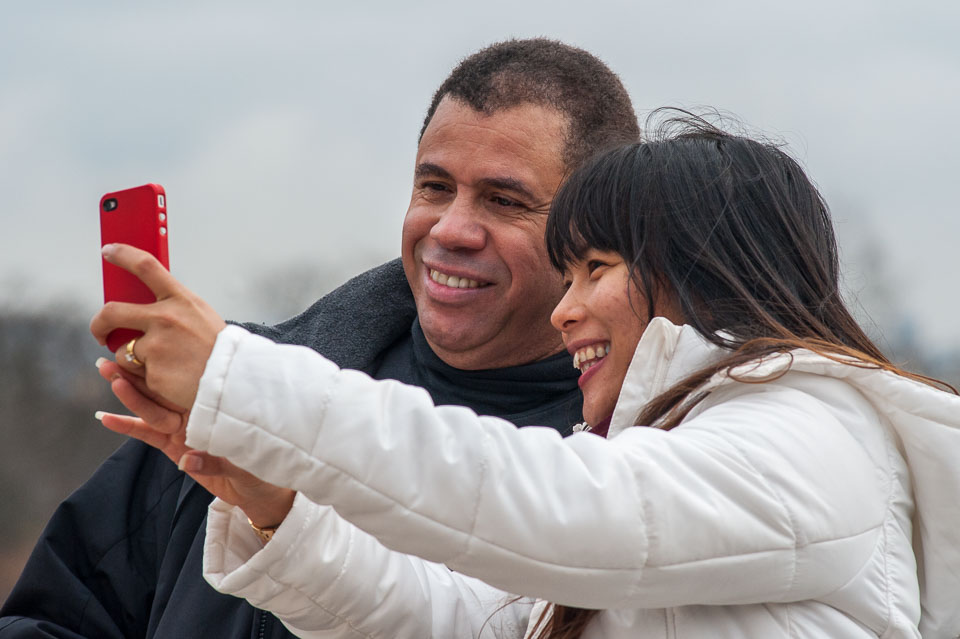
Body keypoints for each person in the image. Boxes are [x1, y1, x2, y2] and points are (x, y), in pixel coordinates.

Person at [89, 115, 960, 638]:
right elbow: (462, 622)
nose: (563, 310)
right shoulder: (674, 451)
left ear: (699, 270)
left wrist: (246, 382)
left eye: (595, 268)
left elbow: (541, 498)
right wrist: (275, 505)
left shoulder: (811, 433)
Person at [0, 39, 640, 639]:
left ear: (598, 236)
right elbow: (60, 615)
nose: (450, 229)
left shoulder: (635, 466)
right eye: (434, 186)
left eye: (503, 200)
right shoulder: (223, 396)